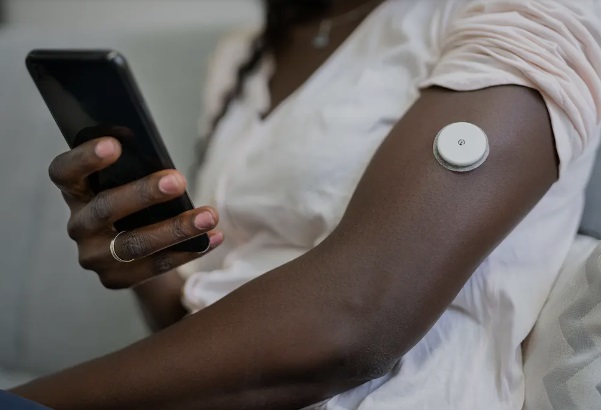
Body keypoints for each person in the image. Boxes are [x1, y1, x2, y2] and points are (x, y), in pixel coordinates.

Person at [10, 0, 601, 408]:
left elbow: (356, 320)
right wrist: (141, 258)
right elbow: (201, 326)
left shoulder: (516, 15)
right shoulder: (245, 55)